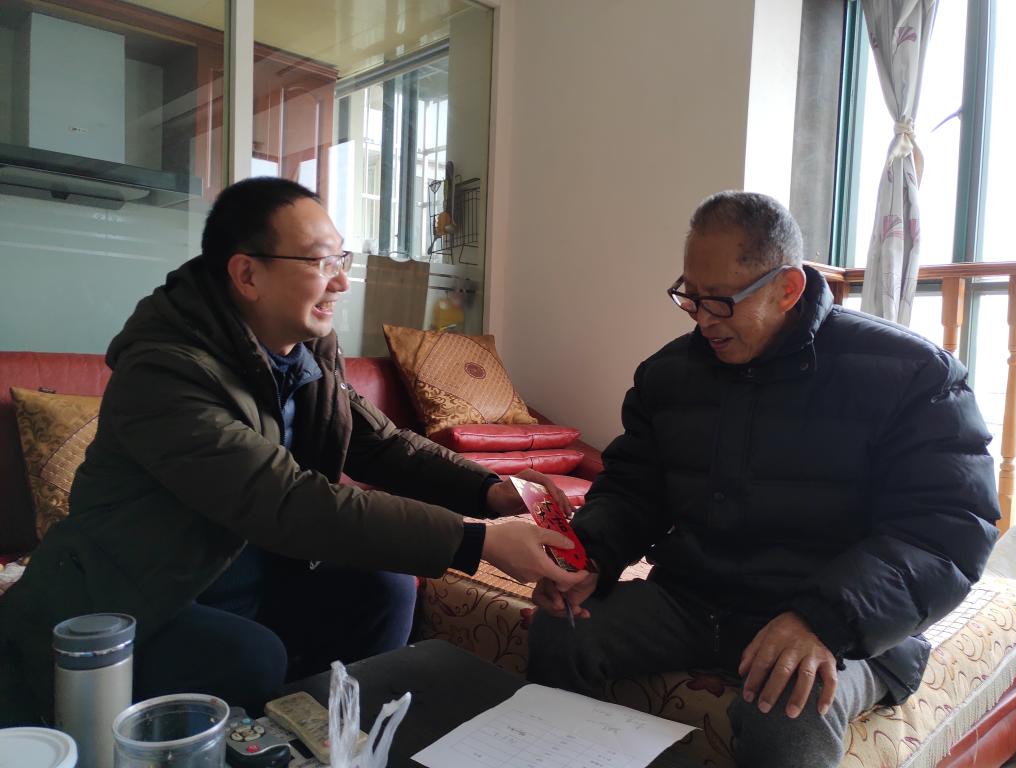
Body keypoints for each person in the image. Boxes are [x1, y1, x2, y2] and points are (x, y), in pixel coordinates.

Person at [0, 177, 586, 726]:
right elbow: (285, 500)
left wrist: (493, 491)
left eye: (341, 260)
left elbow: (382, 445)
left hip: (251, 574)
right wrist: (477, 541)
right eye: (320, 262)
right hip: (139, 593)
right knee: (248, 655)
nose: (341, 282)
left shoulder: (307, 351)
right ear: (247, 274)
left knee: (384, 587)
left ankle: (338, 735)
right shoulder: (165, 373)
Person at [527, 191, 1000, 768]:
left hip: (837, 616)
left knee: (788, 706)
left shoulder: (912, 374)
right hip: (694, 600)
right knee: (564, 629)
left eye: (720, 302)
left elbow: (947, 530)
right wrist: (590, 557)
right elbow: (632, 487)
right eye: (689, 297)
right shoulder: (668, 375)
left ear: (787, 289)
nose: (702, 320)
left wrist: (822, 621)